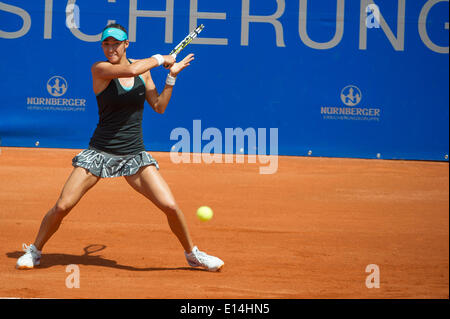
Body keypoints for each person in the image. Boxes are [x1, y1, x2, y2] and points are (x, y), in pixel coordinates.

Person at [16, 23, 224, 272]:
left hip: (134, 155)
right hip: (99, 153)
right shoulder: (100, 69)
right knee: (62, 206)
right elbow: (133, 68)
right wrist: (161, 58)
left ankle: (193, 254)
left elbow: (159, 106)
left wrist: (171, 77)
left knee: (170, 206)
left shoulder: (144, 73)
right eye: (106, 43)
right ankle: (35, 250)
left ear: (127, 44)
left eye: (116, 43)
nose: (111, 48)